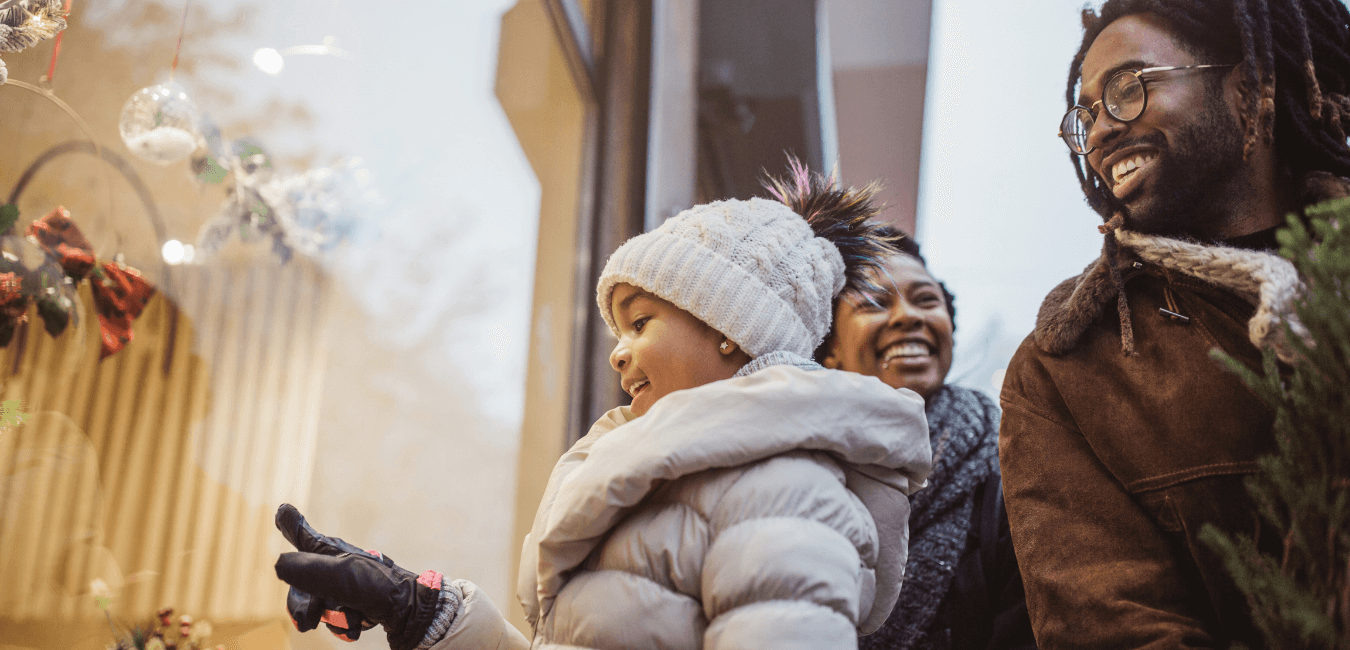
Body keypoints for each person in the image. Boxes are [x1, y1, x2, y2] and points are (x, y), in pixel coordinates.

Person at [272, 172, 934, 649]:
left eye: (641, 322)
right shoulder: (662, 482)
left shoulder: (782, 492)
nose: (619, 354)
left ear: (731, 326)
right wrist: (421, 610)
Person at [999, 0, 1350, 646]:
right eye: (1086, 114)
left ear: (1250, 87)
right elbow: (1113, 631)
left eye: (1128, 88)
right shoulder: (1067, 371)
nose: (1100, 129)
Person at [777, 164, 1035, 649]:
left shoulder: (1013, 479)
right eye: (876, 303)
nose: (909, 317)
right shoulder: (788, 472)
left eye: (926, 300)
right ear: (827, 346)